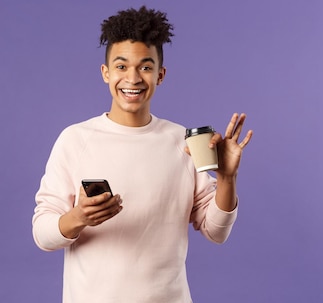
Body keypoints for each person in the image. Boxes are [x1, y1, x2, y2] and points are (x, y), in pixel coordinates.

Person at [32, 6, 253, 303]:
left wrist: (227, 178)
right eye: (121, 67)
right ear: (106, 73)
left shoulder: (183, 142)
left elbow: (216, 232)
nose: (133, 78)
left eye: (145, 67)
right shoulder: (75, 140)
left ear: (160, 75)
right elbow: (43, 234)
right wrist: (78, 217)